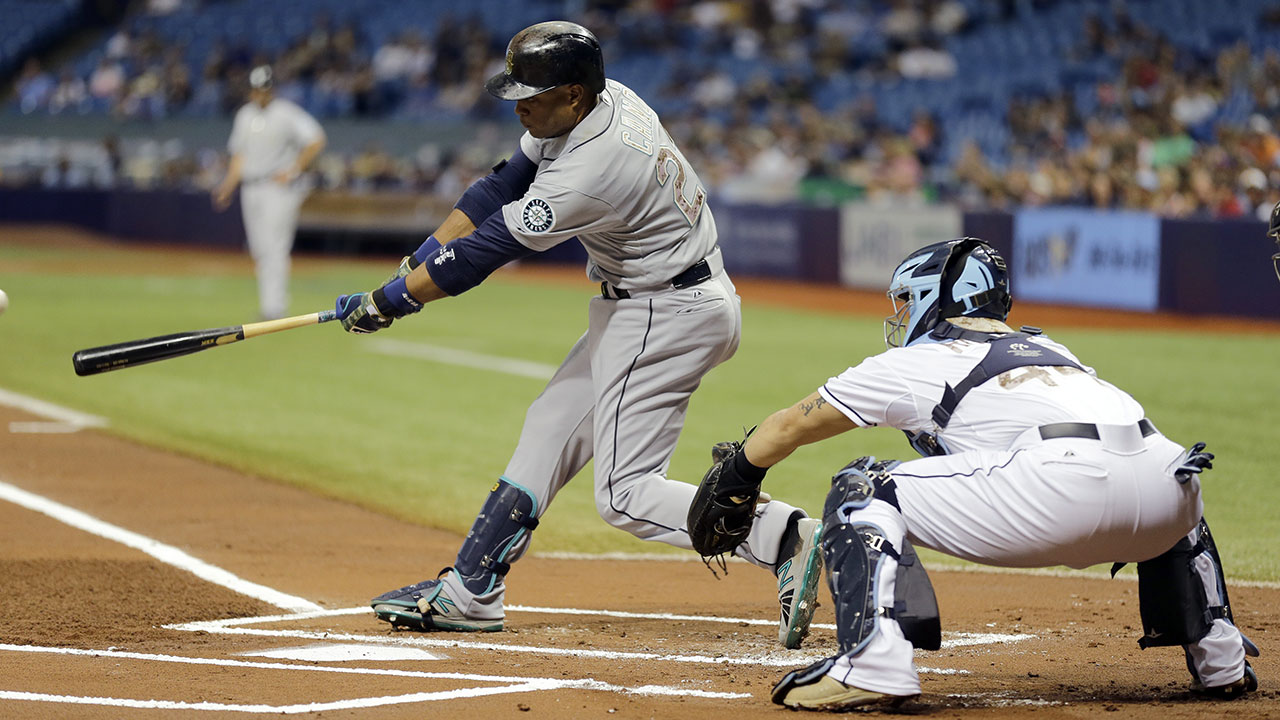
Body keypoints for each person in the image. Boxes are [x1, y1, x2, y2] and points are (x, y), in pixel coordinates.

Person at [333, 21, 825, 649]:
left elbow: (487, 250)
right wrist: (420, 257)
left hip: (663, 312)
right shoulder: (597, 99)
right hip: (656, 302)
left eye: (530, 95)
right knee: (551, 425)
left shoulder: (595, 166)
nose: (518, 105)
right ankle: (472, 589)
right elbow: (501, 185)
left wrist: (391, 301)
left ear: (571, 94)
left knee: (625, 495)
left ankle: (783, 535)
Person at [695, 238, 1259, 709]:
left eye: (905, 301)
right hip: (1172, 490)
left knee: (861, 490)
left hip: (1060, 489)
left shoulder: (920, 359)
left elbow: (791, 425)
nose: (899, 315)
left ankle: (873, 663)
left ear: (933, 298)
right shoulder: (1049, 347)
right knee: (1166, 469)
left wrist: (742, 473)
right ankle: (1221, 661)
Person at [213, 65, 326, 321]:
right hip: (250, 187)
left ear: (271, 89)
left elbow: (316, 139)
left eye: (264, 89)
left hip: (278, 188)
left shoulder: (285, 113)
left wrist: (295, 169)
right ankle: (270, 304)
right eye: (256, 90)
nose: (259, 94)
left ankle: (275, 307)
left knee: (275, 247)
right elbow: (239, 156)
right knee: (259, 248)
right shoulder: (244, 115)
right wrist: (228, 186)